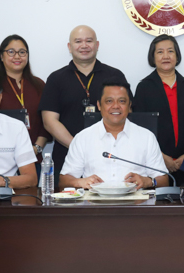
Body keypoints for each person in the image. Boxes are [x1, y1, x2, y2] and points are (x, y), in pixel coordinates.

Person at [39, 25, 127, 186]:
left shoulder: (114, 75)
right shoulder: (56, 78)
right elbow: (49, 121)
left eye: (89, 41)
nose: (84, 45)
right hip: (66, 157)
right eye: (78, 41)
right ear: (69, 47)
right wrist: (78, 147)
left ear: (97, 45)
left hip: (109, 157)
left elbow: (125, 113)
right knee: (66, 208)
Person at [59, 82, 169, 190]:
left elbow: (164, 180)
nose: (116, 106)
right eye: (109, 101)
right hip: (93, 205)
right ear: (99, 105)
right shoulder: (82, 138)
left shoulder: (146, 137)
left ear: (129, 105)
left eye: (121, 101)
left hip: (136, 205)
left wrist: (148, 181)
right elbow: (63, 181)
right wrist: (80, 181)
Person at [133, 35, 184, 186]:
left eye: (170, 51)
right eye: (160, 52)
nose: (166, 56)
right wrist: (162, 157)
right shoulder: (144, 88)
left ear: (177, 55)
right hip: (153, 162)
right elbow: (139, 130)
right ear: (153, 56)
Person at [0, 34, 51, 175]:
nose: (17, 56)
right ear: (1, 56)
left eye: (22, 52)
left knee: (32, 197)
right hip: (1, 160)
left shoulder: (39, 84)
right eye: (11, 52)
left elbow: (46, 123)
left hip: (32, 158)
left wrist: (36, 148)